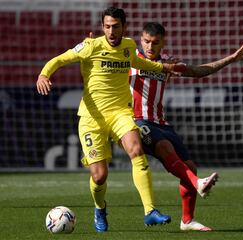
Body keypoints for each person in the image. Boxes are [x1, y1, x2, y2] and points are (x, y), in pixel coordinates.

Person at [36, 7, 186, 233]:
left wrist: (163, 67)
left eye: (116, 26)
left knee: (136, 150)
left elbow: (140, 63)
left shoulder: (128, 47)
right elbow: (59, 59)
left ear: (124, 27)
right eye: (107, 26)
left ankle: (150, 211)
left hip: (121, 113)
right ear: (102, 27)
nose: (111, 31)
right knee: (100, 175)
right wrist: (44, 74)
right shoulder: (90, 46)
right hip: (91, 118)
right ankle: (100, 208)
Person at [129, 22, 243, 231]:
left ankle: (187, 220)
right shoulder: (130, 59)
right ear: (141, 40)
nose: (150, 47)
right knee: (165, 148)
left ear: (163, 43)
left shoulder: (168, 64)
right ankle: (198, 183)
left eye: (155, 43)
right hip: (137, 121)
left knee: (190, 167)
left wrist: (230, 59)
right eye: (147, 42)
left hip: (161, 122)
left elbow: (199, 71)